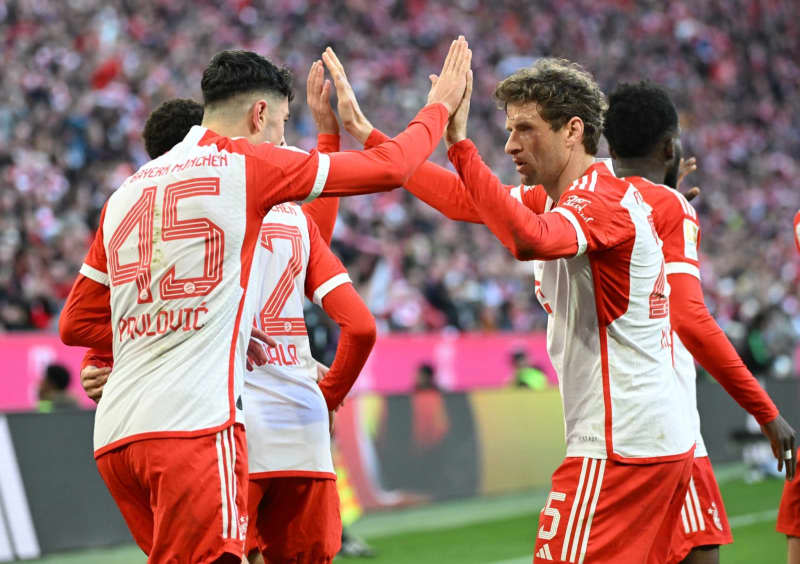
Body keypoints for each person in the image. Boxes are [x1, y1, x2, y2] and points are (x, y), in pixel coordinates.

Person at [59, 42, 471, 563]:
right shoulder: (245, 167)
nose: (281, 136)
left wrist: (145, 342)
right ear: (259, 114)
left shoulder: (125, 193)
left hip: (118, 439)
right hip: (200, 427)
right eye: (280, 122)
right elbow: (389, 171)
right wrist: (439, 105)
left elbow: (77, 322)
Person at [323, 51, 693, 563]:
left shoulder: (599, 201)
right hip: (647, 438)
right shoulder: (564, 195)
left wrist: (458, 142)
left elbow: (526, 240)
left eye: (526, 128)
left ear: (573, 131)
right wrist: (369, 136)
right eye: (508, 128)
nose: (510, 144)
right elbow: (463, 199)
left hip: (619, 446)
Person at [603, 80, 796, 564]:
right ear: (670, 147)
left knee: (701, 550)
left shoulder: (585, 202)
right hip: (649, 433)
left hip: (651, 429)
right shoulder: (667, 207)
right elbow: (690, 316)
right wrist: (766, 412)